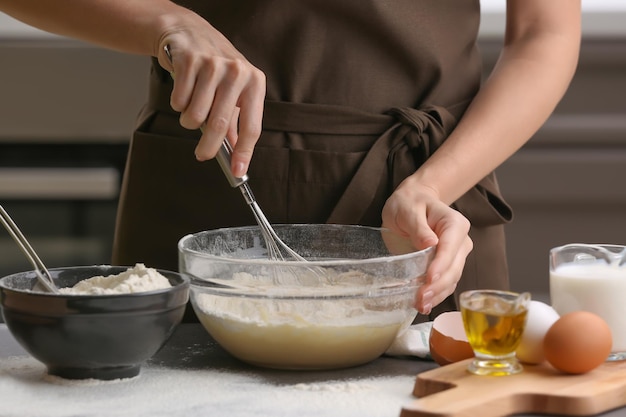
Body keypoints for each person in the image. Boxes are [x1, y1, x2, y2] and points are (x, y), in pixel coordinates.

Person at [0, 1, 581, 321]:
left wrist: (434, 185)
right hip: (208, 178)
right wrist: (168, 24)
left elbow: (545, 33)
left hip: (429, 209)